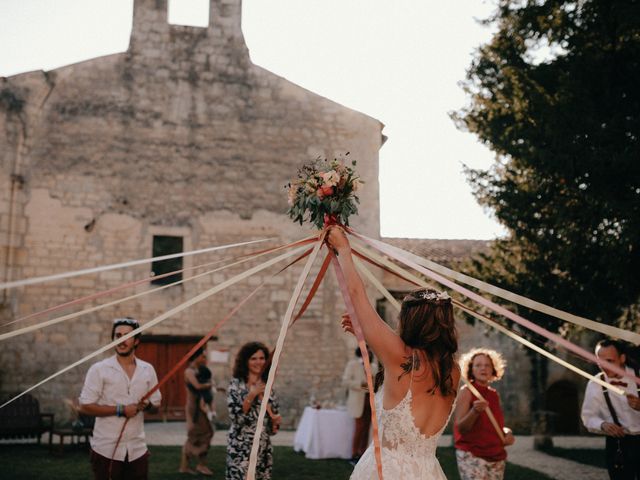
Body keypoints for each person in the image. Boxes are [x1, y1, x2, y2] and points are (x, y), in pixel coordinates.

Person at [327, 227, 460, 479]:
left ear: (410, 321)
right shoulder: (452, 369)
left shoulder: (400, 357)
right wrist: (369, 337)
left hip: (387, 471)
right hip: (427, 470)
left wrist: (343, 249)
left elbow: (357, 296)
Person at [79, 317, 161, 480]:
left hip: (137, 451)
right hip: (106, 450)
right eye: (118, 335)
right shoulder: (99, 369)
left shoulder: (147, 369)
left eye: (127, 336)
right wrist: (120, 410)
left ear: (136, 341)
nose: (122, 340)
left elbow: (156, 406)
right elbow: (84, 406)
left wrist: (148, 406)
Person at [581, 339, 640, 479]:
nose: (605, 366)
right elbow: (588, 417)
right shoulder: (595, 384)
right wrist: (602, 424)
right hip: (617, 445)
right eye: (600, 361)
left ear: (622, 358)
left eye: (610, 361)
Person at [453, 348, 515, 480]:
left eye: (487, 365)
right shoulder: (467, 392)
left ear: (493, 369)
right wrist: (474, 412)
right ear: (471, 369)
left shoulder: (493, 394)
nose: (483, 368)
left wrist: (507, 432)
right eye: (478, 365)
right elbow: (461, 428)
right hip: (472, 455)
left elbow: (495, 424)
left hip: (496, 456)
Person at [225, 342, 282, 480]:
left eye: (262, 358)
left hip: (263, 447)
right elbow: (236, 418)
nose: (259, 362)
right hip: (241, 446)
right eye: (253, 358)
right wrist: (251, 395)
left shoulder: (267, 385)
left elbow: (272, 427)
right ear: (245, 361)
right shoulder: (236, 385)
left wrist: (275, 422)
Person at [180, 347, 215, 476]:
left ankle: (198, 464)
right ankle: (194, 465)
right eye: (203, 356)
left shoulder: (199, 370)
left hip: (200, 407)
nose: (205, 359)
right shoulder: (189, 371)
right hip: (193, 408)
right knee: (196, 435)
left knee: (206, 433)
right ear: (197, 357)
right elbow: (198, 386)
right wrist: (210, 384)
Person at [342, 347, 378, 464]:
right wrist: (362, 385)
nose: (368, 354)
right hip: (358, 401)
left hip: (370, 401)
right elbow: (345, 381)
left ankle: (362, 454)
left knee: (367, 429)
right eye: (365, 352)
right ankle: (353, 454)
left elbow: (375, 384)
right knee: (359, 429)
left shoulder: (374, 367)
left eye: (369, 352)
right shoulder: (352, 365)